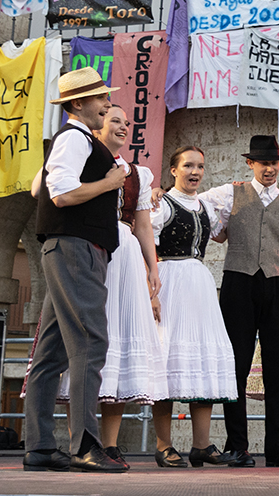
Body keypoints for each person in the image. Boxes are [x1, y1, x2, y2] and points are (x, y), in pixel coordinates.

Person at [51, 106, 167, 469]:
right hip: (89, 245)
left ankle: (110, 443)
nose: (122, 126)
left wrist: (153, 268)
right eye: (115, 119)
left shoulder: (138, 173)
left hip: (126, 253)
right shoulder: (83, 158)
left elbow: (144, 225)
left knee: (115, 339)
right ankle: (83, 441)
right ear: (99, 124)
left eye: (126, 123)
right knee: (91, 336)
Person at [24, 67, 127, 473]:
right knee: (89, 342)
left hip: (68, 248)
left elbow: (37, 188)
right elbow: (61, 194)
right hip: (75, 247)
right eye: (101, 97)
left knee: (51, 353)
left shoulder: (69, 141)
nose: (107, 103)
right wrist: (110, 181)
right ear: (79, 103)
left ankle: (40, 447)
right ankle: (84, 444)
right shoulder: (75, 137)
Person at [200, 135, 279, 468]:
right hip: (238, 282)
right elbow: (193, 202)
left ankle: (278, 445)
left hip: (276, 286)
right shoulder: (230, 193)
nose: (270, 168)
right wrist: (161, 193)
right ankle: (238, 445)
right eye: (264, 163)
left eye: (275, 163)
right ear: (251, 164)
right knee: (236, 366)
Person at [150, 146, 237, 468]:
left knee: (202, 359)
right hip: (170, 278)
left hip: (199, 283)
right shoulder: (161, 203)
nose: (194, 171)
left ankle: (201, 444)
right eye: (188, 165)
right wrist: (151, 288)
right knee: (168, 357)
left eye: (200, 166)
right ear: (174, 169)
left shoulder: (205, 206)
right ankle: (163, 444)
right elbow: (148, 242)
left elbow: (220, 233)